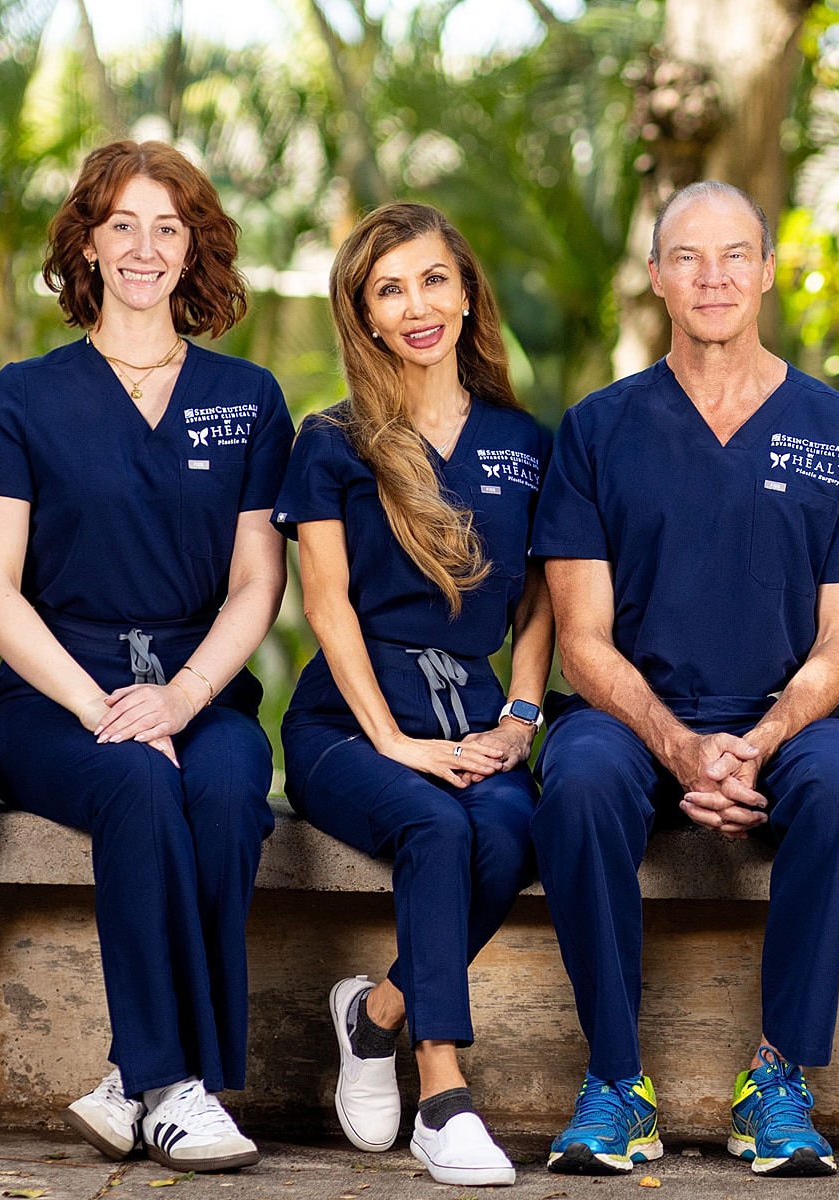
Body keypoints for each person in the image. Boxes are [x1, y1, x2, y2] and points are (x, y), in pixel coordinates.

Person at [528, 181, 839, 1179]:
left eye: (735, 254)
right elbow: (583, 642)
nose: (713, 276)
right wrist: (679, 745)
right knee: (579, 783)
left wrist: (760, 742)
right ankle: (616, 1086)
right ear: (656, 278)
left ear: (768, 271)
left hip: (787, 714)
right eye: (687, 257)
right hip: (632, 712)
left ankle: (775, 1081)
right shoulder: (597, 430)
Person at [0, 141, 291, 1173]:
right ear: (88, 245)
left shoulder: (248, 397)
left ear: (194, 249)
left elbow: (256, 584)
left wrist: (181, 697)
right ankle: (182, 1086)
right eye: (122, 226)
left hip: (202, 692)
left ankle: (134, 1078)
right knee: (140, 785)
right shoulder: (22, 397)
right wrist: (105, 707)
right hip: (52, 699)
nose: (144, 247)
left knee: (233, 794)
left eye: (168, 227)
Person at [274, 202, 552, 1187]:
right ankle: (443, 1094)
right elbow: (325, 603)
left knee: (516, 833)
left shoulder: (525, 439)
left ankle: (377, 1012)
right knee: (437, 826)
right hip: (348, 722)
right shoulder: (334, 439)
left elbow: (540, 600)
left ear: (468, 293)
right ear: (367, 317)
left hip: (475, 718)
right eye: (390, 290)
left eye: (434, 279)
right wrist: (389, 740)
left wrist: (521, 716)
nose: (417, 304)